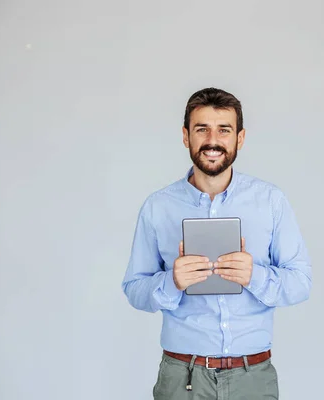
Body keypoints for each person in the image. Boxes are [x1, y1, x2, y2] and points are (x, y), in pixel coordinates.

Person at [122, 87, 312, 399]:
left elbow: (301, 282)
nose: (213, 140)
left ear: (240, 138)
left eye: (224, 130)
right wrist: (172, 282)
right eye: (202, 129)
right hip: (182, 378)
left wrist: (255, 275)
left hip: (252, 378)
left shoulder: (271, 202)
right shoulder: (158, 207)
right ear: (186, 137)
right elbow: (134, 288)